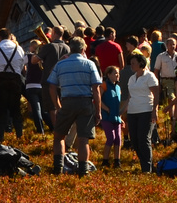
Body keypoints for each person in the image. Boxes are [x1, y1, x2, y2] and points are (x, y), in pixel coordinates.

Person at [47, 37, 103, 176]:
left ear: (70, 48)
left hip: (67, 101)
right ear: (83, 49)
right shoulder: (90, 64)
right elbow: (96, 89)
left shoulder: (60, 65)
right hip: (85, 102)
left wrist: (58, 106)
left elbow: (52, 87)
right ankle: (83, 171)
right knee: (83, 139)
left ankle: (58, 169)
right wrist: (98, 111)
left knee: (59, 137)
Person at [0, 28, 28, 145]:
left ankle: (1, 137)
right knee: (16, 109)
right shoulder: (19, 48)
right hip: (15, 79)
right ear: (10, 36)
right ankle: (19, 136)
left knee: (0, 109)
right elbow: (22, 64)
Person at [124, 52, 160, 173]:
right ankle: (144, 162)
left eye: (134, 63)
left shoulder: (149, 76)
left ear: (141, 63)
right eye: (131, 63)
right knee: (134, 139)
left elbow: (156, 95)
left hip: (146, 110)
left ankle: (147, 168)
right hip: (133, 112)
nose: (131, 65)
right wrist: (123, 110)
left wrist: (155, 111)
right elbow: (130, 96)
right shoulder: (132, 78)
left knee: (143, 139)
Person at [99, 65, 124, 168]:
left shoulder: (118, 88)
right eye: (115, 73)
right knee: (111, 138)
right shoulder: (104, 85)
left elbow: (118, 104)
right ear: (108, 75)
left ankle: (117, 160)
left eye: (118, 73)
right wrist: (107, 109)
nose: (117, 75)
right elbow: (98, 100)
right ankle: (105, 160)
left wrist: (120, 117)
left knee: (118, 139)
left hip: (116, 117)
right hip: (106, 117)